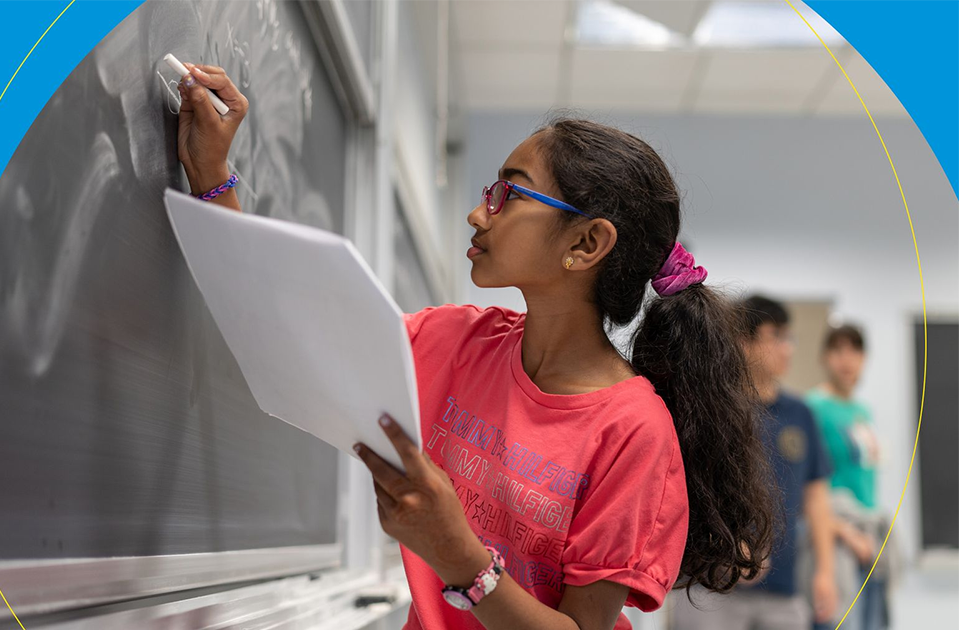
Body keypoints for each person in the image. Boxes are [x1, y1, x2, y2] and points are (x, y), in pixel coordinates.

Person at [174, 64, 778, 630]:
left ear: (587, 243)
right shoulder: (455, 340)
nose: (477, 213)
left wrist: (460, 555)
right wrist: (211, 176)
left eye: (509, 195)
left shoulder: (634, 431)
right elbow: (289, 343)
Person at [671, 295, 839, 630]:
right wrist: (730, 545)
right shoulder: (710, 411)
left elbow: (817, 498)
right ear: (744, 342)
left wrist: (825, 571)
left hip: (783, 592)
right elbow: (686, 492)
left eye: (789, 337)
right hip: (709, 591)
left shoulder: (800, 413)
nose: (787, 348)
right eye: (776, 336)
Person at [805, 324, 890, 630]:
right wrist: (845, 532)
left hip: (868, 539)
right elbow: (806, 486)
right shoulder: (813, 408)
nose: (847, 359)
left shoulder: (862, 411)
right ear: (824, 357)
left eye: (855, 350)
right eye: (838, 350)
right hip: (837, 540)